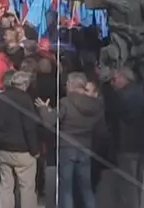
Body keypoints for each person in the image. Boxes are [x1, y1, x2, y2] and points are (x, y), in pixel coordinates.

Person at [37, 72, 104, 208]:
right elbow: (100, 129)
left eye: (67, 83)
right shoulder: (95, 104)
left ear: (71, 84)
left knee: (66, 188)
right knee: (86, 188)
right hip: (86, 147)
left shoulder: (65, 102)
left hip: (67, 147)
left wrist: (43, 109)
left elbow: (50, 121)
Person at [0, 70, 41, 208]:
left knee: (6, 187)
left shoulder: (0, 98)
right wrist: (35, 150)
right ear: (25, 84)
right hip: (23, 150)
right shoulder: (25, 99)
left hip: (4, 148)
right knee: (27, 188)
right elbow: (29, 127)